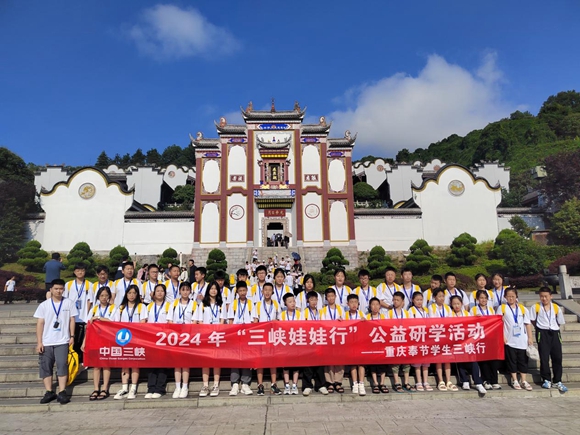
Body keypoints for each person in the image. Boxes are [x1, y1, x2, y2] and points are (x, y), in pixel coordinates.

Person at [34, 279, 77, 405]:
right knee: (45, 366)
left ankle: (62, 391)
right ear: (51, 290)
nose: (59, 291)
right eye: (56, 288)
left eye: (61, 289)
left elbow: (72, 320)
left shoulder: (68, 303)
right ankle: (49, 391)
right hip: (47, 341)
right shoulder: (44, 305)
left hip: (62, 340)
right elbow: (40, 323)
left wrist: (72, 336)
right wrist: (39, 342)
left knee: (62, 365)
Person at [530, 287, 567, 392]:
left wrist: (553, 328)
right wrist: (539, 328)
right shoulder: (536, 307)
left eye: (546, 296)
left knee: (557, 357)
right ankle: (546, 379)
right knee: (544, 357)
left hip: (554, 333)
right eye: (542, 296)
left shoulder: (556, 307)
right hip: (542, 332)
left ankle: (557, 380)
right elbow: (532, 320)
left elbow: (559, 321)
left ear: (551, 296)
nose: (544, 298)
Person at [81, 286, 116, 400]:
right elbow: (88, 326)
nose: (104, 298)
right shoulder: (94, 309)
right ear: (98, 297)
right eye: (101, 295)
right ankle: (96, 388)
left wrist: (99, 318)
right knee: (96, 366)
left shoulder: (113, 308)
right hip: (95, 340)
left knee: (106, 365)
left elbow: (113, 322)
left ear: (109, 297)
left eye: (106, 295)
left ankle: (105, 388)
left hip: (108, 339)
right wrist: (84, 342)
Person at [113, 285, 147, 400]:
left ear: (137, 295)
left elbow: (143, 323)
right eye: (129, 293)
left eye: (134, 293)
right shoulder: (121, 308)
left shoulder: (141, 307)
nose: (132, 295)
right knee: (125, 364)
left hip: (137, 339)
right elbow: (116, 324)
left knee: (135, 364)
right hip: (124, 340)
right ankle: (124, 387)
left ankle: (133, 387)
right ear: (126, 294)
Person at [498, 287, 533, 391]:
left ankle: (523, 380)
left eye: (513, 296)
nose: (511, 298)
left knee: (523, 360)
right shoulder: (502, 308)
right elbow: (499, 324)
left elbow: (527, 324)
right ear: (505, 297)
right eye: (508, 296)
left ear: (516, 296)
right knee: (511, 360)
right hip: (509, 340)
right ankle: (514, 380)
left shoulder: (522, 309)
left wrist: (530, 337)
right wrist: (502, 336)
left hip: (522, 339)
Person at [194, 281, 224, 397]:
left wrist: (218, 332)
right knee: (205, 361)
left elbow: (222, 320)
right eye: (211, 288)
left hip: (217, 336)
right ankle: (205, 385)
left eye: (215, 288)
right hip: (206, 336)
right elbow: (200, 321)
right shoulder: (203, 304)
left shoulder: (221, 304)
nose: (213, 290)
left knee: (216, 361)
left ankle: (216, 384)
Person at [225, 281, 254, 396]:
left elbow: (254, 320)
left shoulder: (251, 303)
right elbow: (230, 320)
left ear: (247, 291)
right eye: (240, 290)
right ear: (237, 292)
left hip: (247, 334)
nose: (242, 292)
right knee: (235, 358)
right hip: (236, 335)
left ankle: (245, 383)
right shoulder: (233, 304)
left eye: (244, 290)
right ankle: (235, 383)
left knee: (247, 358)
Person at [253, 282, 282, 395]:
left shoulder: (276, 304)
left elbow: (279, 320)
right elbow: (255, 321)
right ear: (262, 291)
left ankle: (273, 384)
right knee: (260, 361)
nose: (267, 292)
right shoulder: (258, 305)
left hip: (273, 336)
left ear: (272, 292)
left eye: (270, 290)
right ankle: (260, 385)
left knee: (272, 361)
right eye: (265, 290)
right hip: (261, 336)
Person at [169, 282, 196, 398]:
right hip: (176, 337)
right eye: (183, 289)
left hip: (188, 337)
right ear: (179, 291)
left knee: (185, 363)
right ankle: (177, 386)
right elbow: (169, 320)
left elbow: (195, 321)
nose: (185, 292)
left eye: (187, 289)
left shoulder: (194, 304)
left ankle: (185, 386)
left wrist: (187, 331)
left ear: (190, 291)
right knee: (177, 363)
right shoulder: (174, 304)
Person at [144, 284, 171, 399]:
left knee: (162, 364)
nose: (159, 293)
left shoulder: (169, 306)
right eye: (157, 291)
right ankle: (151, 387)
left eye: (162, 291)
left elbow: (170, 322)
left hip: (164, 338)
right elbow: (144, 322)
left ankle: (160, 388)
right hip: (151, 338)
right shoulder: (149, 306)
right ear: (153, 294)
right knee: (151, 364)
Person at [63, 263, 92, 366]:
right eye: (78, 270)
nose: (80, 272)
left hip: (83, 318)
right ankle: (71, 361)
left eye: (82, 270)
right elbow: (65, 300)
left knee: (82, 341)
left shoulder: (89, 284)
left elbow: (90, 301)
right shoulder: (69, 285)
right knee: (72, 340)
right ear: (74, 272)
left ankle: (81, 361)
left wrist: (87, 315)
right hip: (72, 318)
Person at [301, 290, 328, 396]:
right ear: (308, 301)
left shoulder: (321, 312)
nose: (313, 302)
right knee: (307, 364)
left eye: (315, 299)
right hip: (308, 341)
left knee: (320, 364)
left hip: (319, 340)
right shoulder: (304, 313)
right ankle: (307, 386)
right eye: (311, 299)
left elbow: (325, 324)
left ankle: (320, 385)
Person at [428, 288, 456, 391]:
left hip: (447, 335)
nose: (441, 298)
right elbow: (433, 320)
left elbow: (450, 320)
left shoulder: (448, 308)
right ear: (435, 297)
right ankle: (440, 380)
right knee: (439, 359)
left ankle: (448, 380)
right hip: (437, 335)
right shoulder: (431, 307)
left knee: (447, 358)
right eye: (439, 296)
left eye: (443, 296)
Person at [320, 288, 345, 393]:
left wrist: (341, 321)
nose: (331, 298)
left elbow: (345, 322)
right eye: (328, 296)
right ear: (326, 298)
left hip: (339, 337)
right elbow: (322, 324)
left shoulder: (341, 309)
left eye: (332, 296)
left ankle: (338, 382)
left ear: (335, 297)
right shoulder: (323, 310)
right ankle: (330, 382)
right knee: (329, 361)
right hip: (328, 338)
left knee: (339, 360)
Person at [408, 292, 432, 392]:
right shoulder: (411, 310)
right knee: (417, 360)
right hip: (416, 337)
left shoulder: (426, 310)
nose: (419, 302)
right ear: (413, 300)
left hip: (425, 337)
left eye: (421, 300)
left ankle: (425, 381)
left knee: (426, 361)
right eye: (417, 300)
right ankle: (418, 381)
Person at [344, 293, 366, 395]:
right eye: (351, 302)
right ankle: (355, 383)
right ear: (347, 304)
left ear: (358, 303)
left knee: (361, 363)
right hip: (350, 343)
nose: (353, 304)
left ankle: (361, 383)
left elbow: (367, 327)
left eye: (355, 302)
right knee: (353, 363)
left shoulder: (362, 314)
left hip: (360, 342)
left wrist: (364, 322)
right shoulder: (345, 315)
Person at [366, 297, 388, 394]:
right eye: (373, 304)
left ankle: (382, 383)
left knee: (383, 364)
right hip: (371, 344)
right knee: (373, 364)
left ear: (380, 306)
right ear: (370, 306)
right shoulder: (366, 317)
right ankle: (375, 383)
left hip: (382, 344)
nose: (375, 307)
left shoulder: (384, 317)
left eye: (377, 304)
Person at [280, 293, 300, 395]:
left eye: (294, 301)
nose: (292, 303)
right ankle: (287, 384)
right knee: (286, 365)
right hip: (286, 343)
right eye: (290, 302)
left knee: (296, 365)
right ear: (285, 303)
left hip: (296, 342)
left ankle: (294, 385)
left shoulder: (299, 314)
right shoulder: (282, 314)